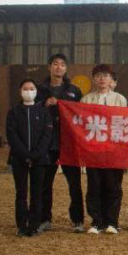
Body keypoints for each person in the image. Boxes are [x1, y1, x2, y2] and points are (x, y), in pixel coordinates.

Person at [35, 53, 85, 233]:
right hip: (46, 144)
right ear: (49, 67)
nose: (58, 67)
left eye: (62, 64)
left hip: (69, 143)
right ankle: (44, 219)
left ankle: (78, 220)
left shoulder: (74, 91)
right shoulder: (38, 90)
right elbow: (30, 111)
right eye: (55, 64)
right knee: (44, 183)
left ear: (66, 68)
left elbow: (81, 115)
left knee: (75, 184)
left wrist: (62, 103)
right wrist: (44, 104)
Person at [81, 64, 128, 234]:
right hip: (93, 151)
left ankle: (112, 222)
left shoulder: (120, 99)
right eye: (98, 75)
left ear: (111, 79)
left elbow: (124, 123)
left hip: (114, 150)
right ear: (94, 79)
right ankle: (97, 222)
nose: (102, 79)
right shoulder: (86, 100)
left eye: (106, 75)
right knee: (94, 186)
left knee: (113, 186)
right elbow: (81, 125)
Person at [6, 79, 53, 237]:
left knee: (37, 193)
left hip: (40, 160)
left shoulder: (44, 112)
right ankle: (21, 225)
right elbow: (12, 135)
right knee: (21, 193)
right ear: (20, 91)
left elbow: (47, 135)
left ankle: (34, 225)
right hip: (19, 159)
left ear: (36, 92)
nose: (28, 91)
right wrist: (25, 154)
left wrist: (35, 155)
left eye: (31, 88)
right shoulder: (13, 112)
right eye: (25, 89)